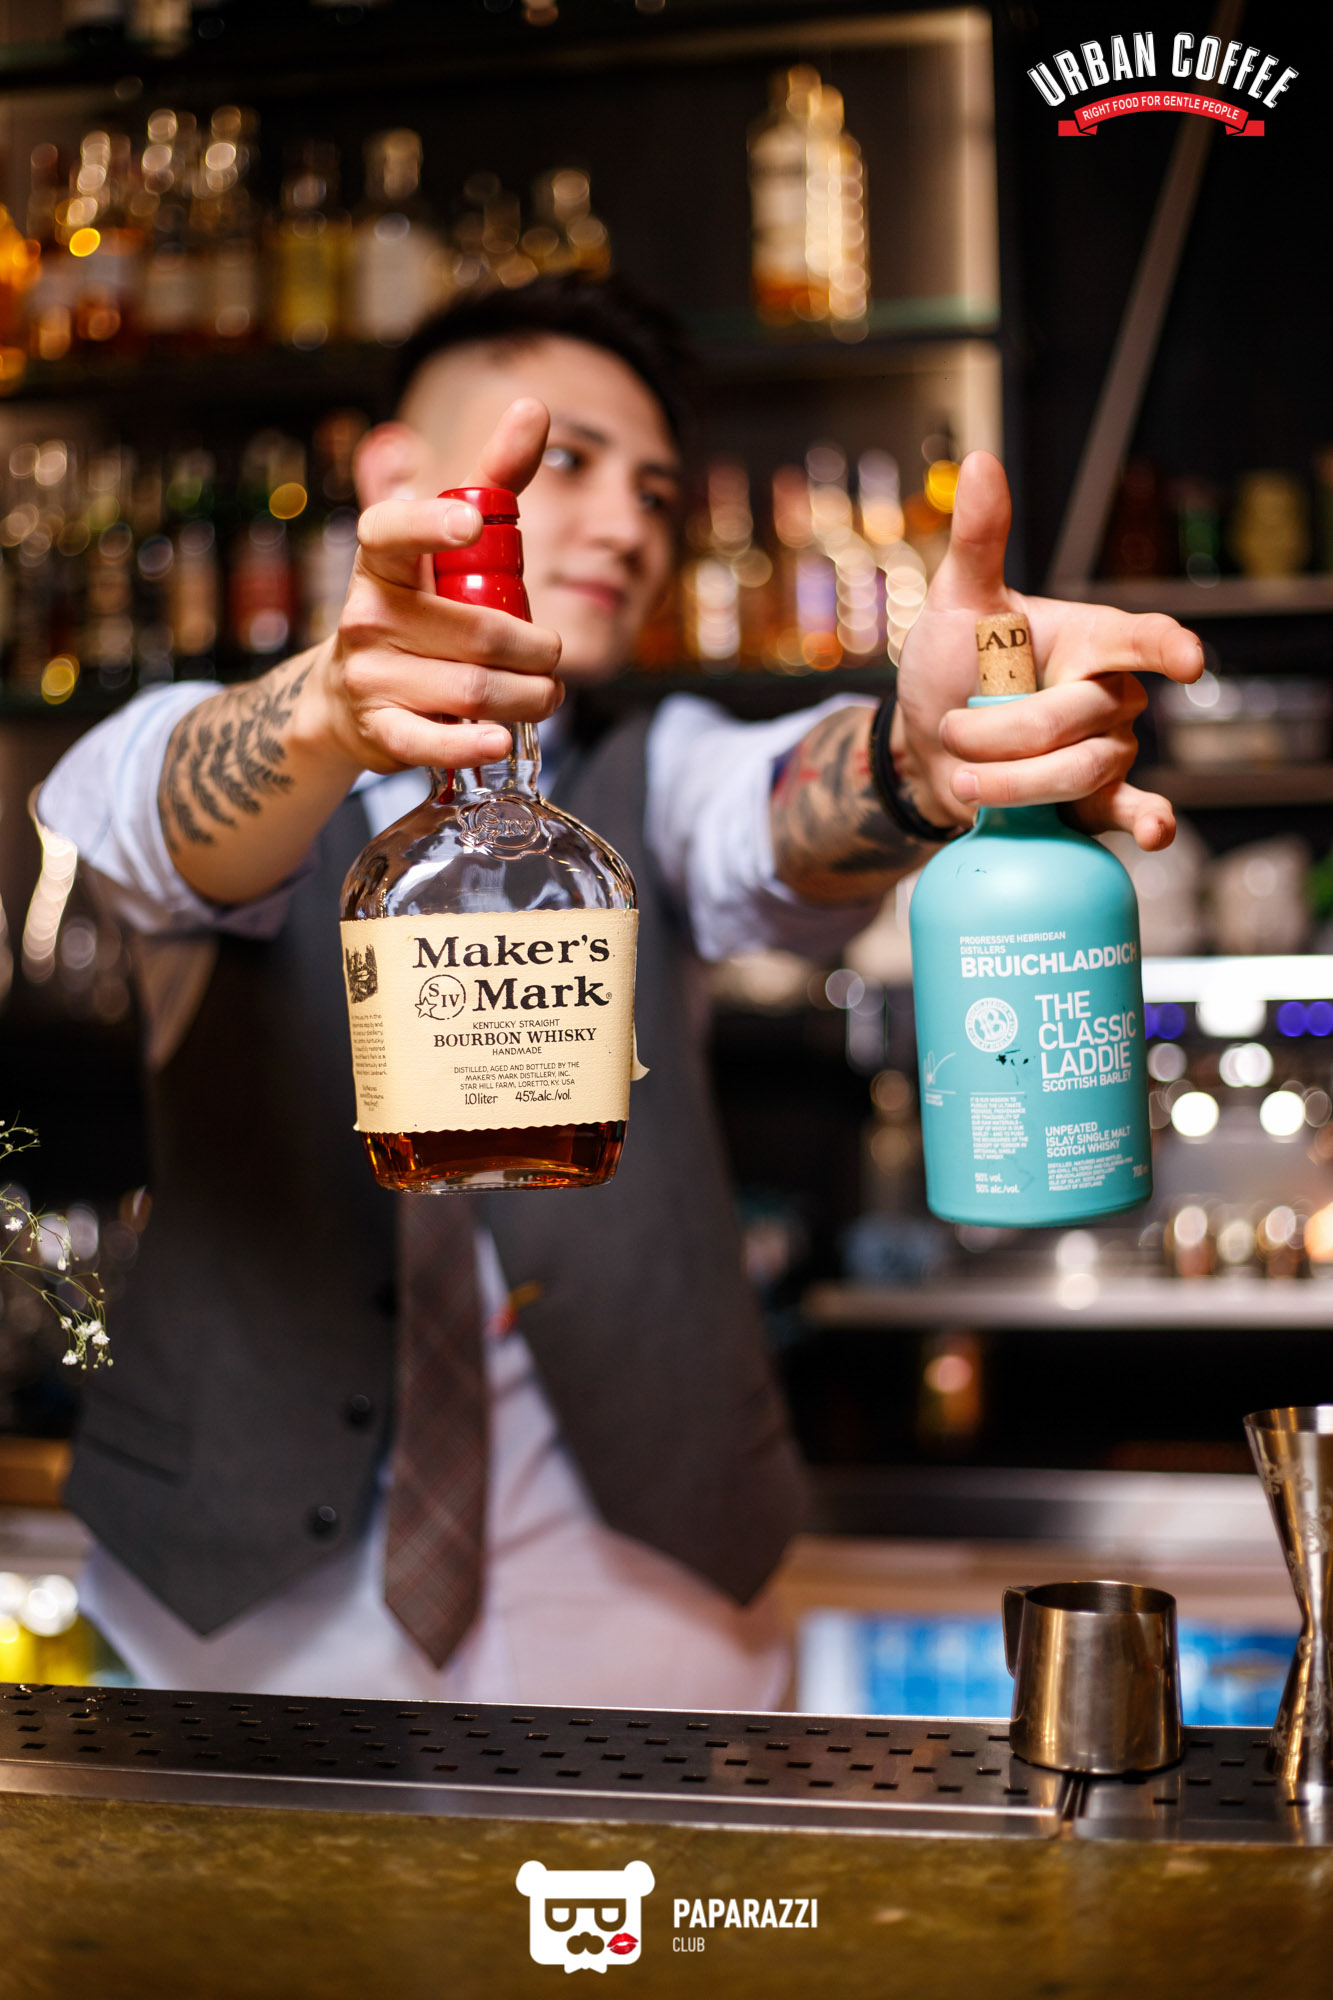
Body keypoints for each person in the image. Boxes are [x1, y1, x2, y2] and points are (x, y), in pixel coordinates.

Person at [40, 276, 1202, 1708]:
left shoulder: (661, 768)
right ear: (396, 474)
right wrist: (332, 710)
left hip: (647, 1600)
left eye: (656, 491)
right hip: (226, 1619)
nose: (626, 525)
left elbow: (780, 809)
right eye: (570, 464)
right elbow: (158, 810)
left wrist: (914, 762)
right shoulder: (201, 740)